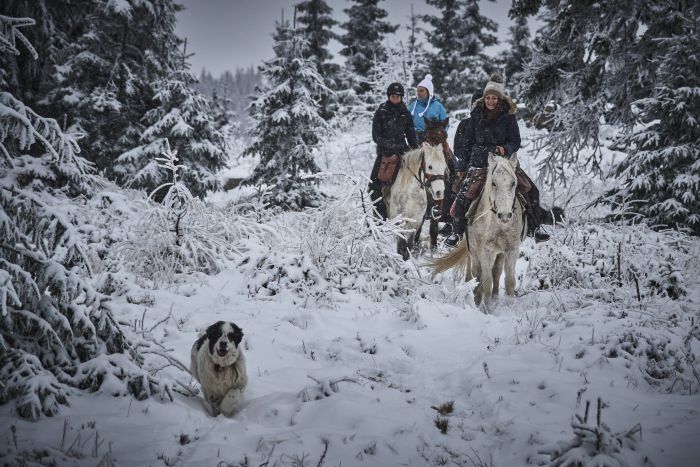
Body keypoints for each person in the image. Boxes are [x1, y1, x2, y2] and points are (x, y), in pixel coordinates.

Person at [445, 73, 550, 247]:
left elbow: (515, 141)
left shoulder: (508, 117)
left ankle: (535, 227)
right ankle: (456, 233)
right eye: (488, 97)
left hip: (503, 163)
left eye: (494, 98)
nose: (490, 101)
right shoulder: (475, 116)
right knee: (463, 196)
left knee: (531, 190)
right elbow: (468, 143)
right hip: (479, 162)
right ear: (484, 98)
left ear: (499, 99)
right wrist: (462, 167)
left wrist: (505, 149)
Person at [369, 82, 419, 219]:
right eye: (393, 96)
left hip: (403, 154)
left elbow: (411, 136)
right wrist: (391, 146)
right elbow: (376, 136)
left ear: (402, 97)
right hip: (384, 154)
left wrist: (417, 152)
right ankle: (379, 220)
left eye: (398, 96)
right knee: (373, 187)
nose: (395, 98)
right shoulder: (381, 112)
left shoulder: (406, 114)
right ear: (388, 96)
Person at [408, 74, 454, 221]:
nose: (419, 93)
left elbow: (445, 124)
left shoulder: (437, 106)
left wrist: (437, 139)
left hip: (436, 142)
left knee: (453, 165)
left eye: (422, 90)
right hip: (416, 141)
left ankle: (447, 205)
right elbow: (407, 124)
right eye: (418, 90)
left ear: (429, 92)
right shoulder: (412, 105)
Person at [439, 89, 483, 236]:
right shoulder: (464, 124)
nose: (479, 106)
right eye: (476, 103)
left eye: (481, 103)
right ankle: (450, 222)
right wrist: (471, 158)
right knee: (453, 185)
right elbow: (458, 149)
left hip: (491, 164)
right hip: (469, 164)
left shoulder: (494, 123)